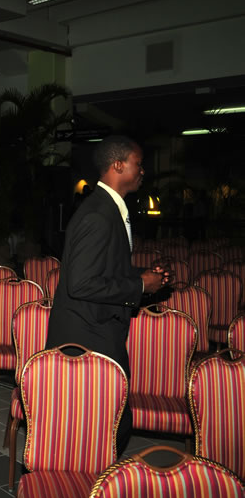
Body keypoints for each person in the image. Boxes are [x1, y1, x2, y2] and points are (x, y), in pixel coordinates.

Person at [46, 135, 170, 453]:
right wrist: (140, 286)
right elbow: (81, 283)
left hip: (98, 328)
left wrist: (142, 277)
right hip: (88, 334)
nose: (143, 171)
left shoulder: (109, 208)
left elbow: (103, 270)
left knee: (102, 423)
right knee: (113, 423)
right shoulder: (98, 214)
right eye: (138, 164)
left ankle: (91, 477)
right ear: (118, 165)